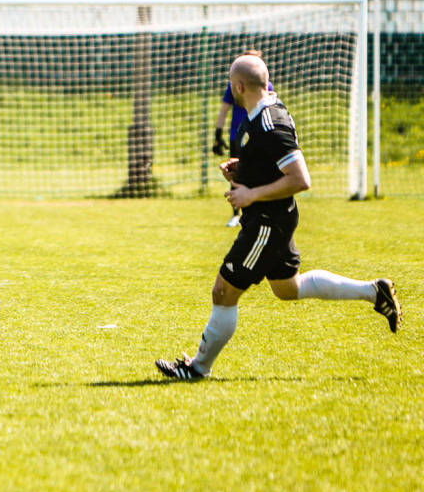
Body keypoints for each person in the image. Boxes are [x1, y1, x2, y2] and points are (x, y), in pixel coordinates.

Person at [156, 53, 401, 380]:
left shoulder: (271, 122)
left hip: (267, 224)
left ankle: (197, 368)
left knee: (223, 292)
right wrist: (243, 171)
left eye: (231, 84)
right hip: (272, 218)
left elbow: (301, 179)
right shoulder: (259, 115)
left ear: (239, 85)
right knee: (287, 288)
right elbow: (272, 164)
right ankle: (375, 291)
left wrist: (249, 194)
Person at [213, 50, 273, 227]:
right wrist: (218, 134)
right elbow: (224, 109)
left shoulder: (265, 87)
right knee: (236, 172)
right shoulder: (234, 86)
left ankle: (259, 210)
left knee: (258, 171)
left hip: (257, 135)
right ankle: (236, 214)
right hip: (237, 136)